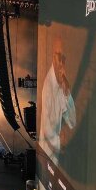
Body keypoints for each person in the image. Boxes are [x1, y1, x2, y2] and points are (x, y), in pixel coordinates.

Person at [40, 37, 76, 165]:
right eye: (58, 56)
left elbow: (72, 121)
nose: (61, 62)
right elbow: (46, 127)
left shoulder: (61, 83)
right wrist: (60, 142)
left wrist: (67, 94)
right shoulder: (48, 86)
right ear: (52, 56)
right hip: (47, 156)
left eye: (63, 57)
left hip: (57, 159)